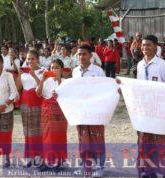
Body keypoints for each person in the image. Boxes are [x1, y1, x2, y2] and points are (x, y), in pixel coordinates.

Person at [136, 35, 165, 177]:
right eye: (143, 45)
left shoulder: (162, 64)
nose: (145, 48)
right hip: (144, 111)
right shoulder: (140, 65)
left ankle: (164, 173)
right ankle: (147, 171)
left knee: (160, 142)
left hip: (159, 110)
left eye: (148, 45)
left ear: (155, 47)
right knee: (145, 141)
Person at [72, 44, 106, 177]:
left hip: (95, 111)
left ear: (91, 56)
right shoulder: (75, 72)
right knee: (83, 138)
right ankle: (84, 166)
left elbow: (105, 90)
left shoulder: (98, 71)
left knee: (97, 138)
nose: (81, 57)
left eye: (84, 54)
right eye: (79, 54)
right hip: (80, 111)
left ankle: (99, 167)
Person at [36, 59, 67, 171]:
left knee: (58, 136)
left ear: (61, 70)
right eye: (52, 67)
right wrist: (42, 80)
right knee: (46, 136)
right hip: (46, 110)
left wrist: (59, 82)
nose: (54, 69)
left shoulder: (64, 81)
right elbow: (39, 94)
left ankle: (58, 162)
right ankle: (46, 160)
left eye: (57, 67)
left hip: (59, 111)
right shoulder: (46, 80)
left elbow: (66, 97)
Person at [16, 50, 44, 167]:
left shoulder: (43, 71)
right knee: (27, 129)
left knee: (37, 129)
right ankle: (29, 155)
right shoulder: (24, 72)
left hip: (37, 102)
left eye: (32, 58)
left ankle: (38, 155)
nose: (30, 61)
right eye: (28, 59)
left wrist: (34, 75)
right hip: (25, 103)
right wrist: (19, 75)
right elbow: (18, 87)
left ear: (37, 59)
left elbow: (42, 88)